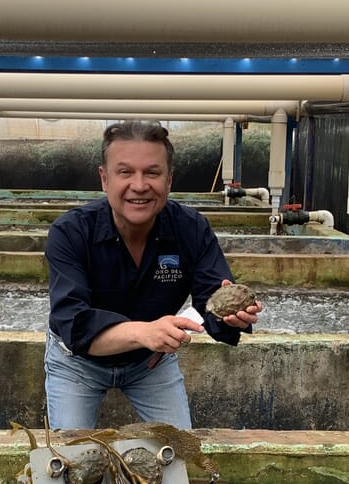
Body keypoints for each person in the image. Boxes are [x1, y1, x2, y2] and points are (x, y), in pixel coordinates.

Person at [44, 120, 262, 431]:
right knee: (72, 463)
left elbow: (209, 302)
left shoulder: (191, 229)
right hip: (77, 364)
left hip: (150, 363)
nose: (140, 185)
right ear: (104, 179)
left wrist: (231, 317)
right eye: (125, 172)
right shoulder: (70, 233)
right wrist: (144, 331)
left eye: (152, 172)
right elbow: (74, 325)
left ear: (169, 179)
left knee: (176, 456)